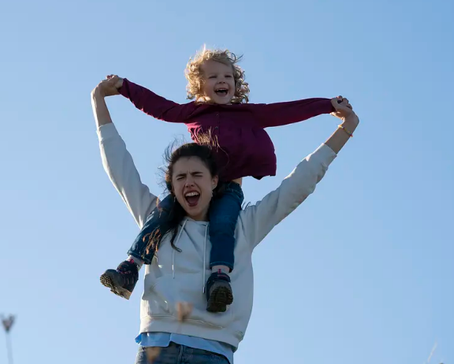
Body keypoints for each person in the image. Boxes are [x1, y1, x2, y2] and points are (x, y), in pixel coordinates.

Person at [91, 76, 359, 364]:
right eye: (180, 177)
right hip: (157, 349)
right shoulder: (155, 221)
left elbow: (299, 184)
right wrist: (99, 101)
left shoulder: (242, 227)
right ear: (172, 186)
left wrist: (345, 130)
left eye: (197, 175)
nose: (189, 182)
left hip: (212, 355)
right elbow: (119, 166)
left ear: (215, 181)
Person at [100, 47, 350, 313]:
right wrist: (124, 86)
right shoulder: (192, 112)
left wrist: (326, 105)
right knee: (160, 216)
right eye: (213, 77)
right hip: (197, 186)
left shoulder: (248, 114)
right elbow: (159, 107)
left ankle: (219, 279)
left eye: (228, 77)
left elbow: (286, 111)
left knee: (223, 224)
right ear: (199, 86)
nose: (222, 81)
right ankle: (130, 268)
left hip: (229, 188)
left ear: (235, 83)